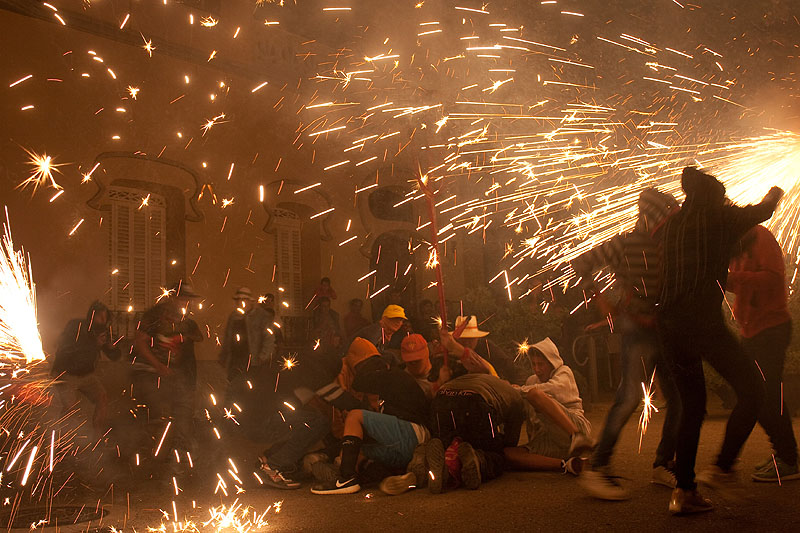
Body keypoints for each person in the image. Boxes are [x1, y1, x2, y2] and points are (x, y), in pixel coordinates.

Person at [658, 167, 783, 514]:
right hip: (702, 323)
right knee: (753, 390)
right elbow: (762, 211)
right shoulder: (718, 216)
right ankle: (724, 468)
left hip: (668, 326)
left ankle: (683, 492)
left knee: (692, 407)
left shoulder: (672, 226)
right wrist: (775, 191)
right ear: (715, 196)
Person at [572, 188, 682, 499]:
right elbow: (581, 264)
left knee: (678, 399)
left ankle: (663, 464)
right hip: (638, 329)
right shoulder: (624, 243)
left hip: (665, 328)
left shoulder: (668, 243)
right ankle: (597, 465)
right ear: (649, 218)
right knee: (630, 397)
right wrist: (602, 300)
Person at [311, 339, 430, 495]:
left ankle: (346, 478)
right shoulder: (392, 382)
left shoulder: (391, 375)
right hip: (408, 444)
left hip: (412, 432)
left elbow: (359, 386)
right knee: (355, 453)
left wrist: (346, 369)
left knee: (355, 416)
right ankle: (385, 476)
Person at [728, 225, 799, 482]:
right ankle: (784, 453)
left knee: (766, 396)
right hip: (752, 330)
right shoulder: (735, 242)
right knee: (755, 395)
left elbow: (773, 277)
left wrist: (733, 279)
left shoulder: (759, 237)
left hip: (771, 327)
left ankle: (788, 458)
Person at [130, 282, 201, 472]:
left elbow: (195, 338)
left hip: (170, 373)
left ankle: (179, 453)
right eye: (183, 298)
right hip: (147, 371)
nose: (186, 302)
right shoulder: (154, 315)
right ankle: (146, 455)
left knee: (184, 406)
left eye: (188, 299)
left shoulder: (184, 320)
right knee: (157, 409)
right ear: (172, 297)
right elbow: (140, 342)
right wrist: (157, 365)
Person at [505, 338, 592, 476]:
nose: (537, 369)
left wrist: (518, 390)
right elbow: (531, 421)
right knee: (508, 454)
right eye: (533, 364)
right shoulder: (531, 381)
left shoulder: (564, 372)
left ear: (552, 363)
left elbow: (550, 390)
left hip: (573, 427)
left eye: (541, 364)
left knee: (534, 395)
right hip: (549, 438)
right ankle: (567, 465)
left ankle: (578, 438)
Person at [51, 301, 121, 432]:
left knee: (102, 397)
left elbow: (115, 356)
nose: (103, 320)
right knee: (70, 406)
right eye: (100, 317)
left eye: (105, 317)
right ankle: (61, 441)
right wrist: (95, 344)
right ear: (92, 315)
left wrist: (112, 348)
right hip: (66, 373)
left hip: (86, 375)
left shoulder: (102, 331)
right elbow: (68, 350)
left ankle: (98, 437)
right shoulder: (76, 326)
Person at [219, 287, 273, 382]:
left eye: (243, 300)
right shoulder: (233, 316)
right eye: (238, 300)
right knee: (234, 388)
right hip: (235, 361)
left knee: (251, 389)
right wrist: (224, 356)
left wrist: (263, 356)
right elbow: (228, 337)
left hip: (253, 362)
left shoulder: (261, 316)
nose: (240, 302)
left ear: (249, 301)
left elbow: (268, 337)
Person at [453, 316, 524, 383]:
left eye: (470, 338)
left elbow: (512, 369)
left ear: (477, 337)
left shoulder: (487, 348)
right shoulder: (450, 354)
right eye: (463, 339)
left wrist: (514, 386)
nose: (466, 342)